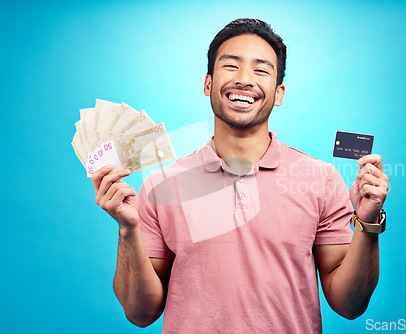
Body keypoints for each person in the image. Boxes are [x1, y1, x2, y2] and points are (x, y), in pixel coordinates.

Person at [91, 18, 389, 333]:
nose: (245, 80)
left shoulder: (321, 179)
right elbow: (140, 313)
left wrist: (368, 224)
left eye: (261, 70)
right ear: (208, 84)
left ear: (279, 93)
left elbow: (350, 305)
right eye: (231, 66)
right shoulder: (161, 184)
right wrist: (128, 229)